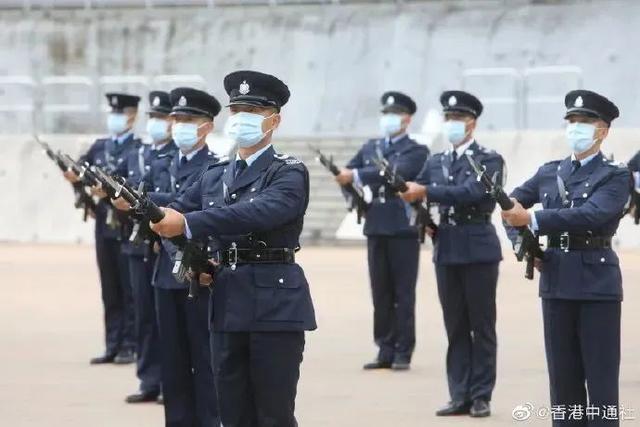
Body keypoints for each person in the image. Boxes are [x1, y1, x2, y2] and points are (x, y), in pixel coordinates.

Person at [150, 70, 316, 427]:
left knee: (273, 413)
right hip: (227, 300)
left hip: (275, 303)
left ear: (275, 120)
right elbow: (175, 215)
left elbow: (261, 211)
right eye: (237, 110)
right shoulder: (214, 174)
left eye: (253, 112)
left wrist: (190, 223)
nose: (242, 118)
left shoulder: (288, 172)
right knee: (232, 411)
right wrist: (187, 258)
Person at [502, 90, 628, 426]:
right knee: (563, 382)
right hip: (556, 280)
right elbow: (510, 208)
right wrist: (523, 244)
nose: (576, 128)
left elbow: (591, 214)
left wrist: (533, 220)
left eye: (585, 122)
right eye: (571, 121)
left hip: (597, 285)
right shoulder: (549, 172)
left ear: (603, 130)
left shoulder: (615, 175)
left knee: (600, 384)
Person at [400, 91, 503, 417]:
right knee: (455, 325)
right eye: (448, 118)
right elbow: (413, 194)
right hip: (447, 246)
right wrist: (420, 216)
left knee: (481, 326)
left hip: (478, 247)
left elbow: (474, 193)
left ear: (472, 123)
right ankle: (459, 394)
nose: (452, 124)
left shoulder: (489, 159)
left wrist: (427, 191)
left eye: (458, 118)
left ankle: (481, 394)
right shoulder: (436, 161)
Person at [141, 87, 221, 426]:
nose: (178, 126)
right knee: (172, 361)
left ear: (206, 127)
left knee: (204, 357)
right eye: (176, 119)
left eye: (188, 120)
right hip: (164, 273)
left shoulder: (215, 168)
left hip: (195, 272)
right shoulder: (161, 163)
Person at [334, 91, 428, 371]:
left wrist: (358, 175)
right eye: (385, 114)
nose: (389, 119)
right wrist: (350, 183)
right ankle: (384, 348)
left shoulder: (416, 149)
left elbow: (397, 172)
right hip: (376, 223)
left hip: (402, 226)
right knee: (381, 292)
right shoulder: (371, 146)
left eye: (395, 114)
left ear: (407, 119)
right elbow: (346, 172)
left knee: (403, 292)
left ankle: (403, 351)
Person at [65, 92, 140, 365]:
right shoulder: (100, 146)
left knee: (129, 287)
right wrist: (75, 180)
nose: (115, 118)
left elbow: (134, 187)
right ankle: (112, 343)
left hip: (125, 225)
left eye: (120, 113)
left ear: (133, 116)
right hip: (104, 225)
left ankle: (130, 344)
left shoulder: (138, 150)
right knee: (109, 288)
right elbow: (80, 173)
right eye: (113, 113)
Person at [114, 91, 177, 403]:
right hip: (139, 245)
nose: (156, 123)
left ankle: (170, 381)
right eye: (152, 117)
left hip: (167, 245)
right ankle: (149, 379)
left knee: (167, 318)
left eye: (162, 117)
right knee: (144, 314)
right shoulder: (140, 154)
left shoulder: (176, 155)